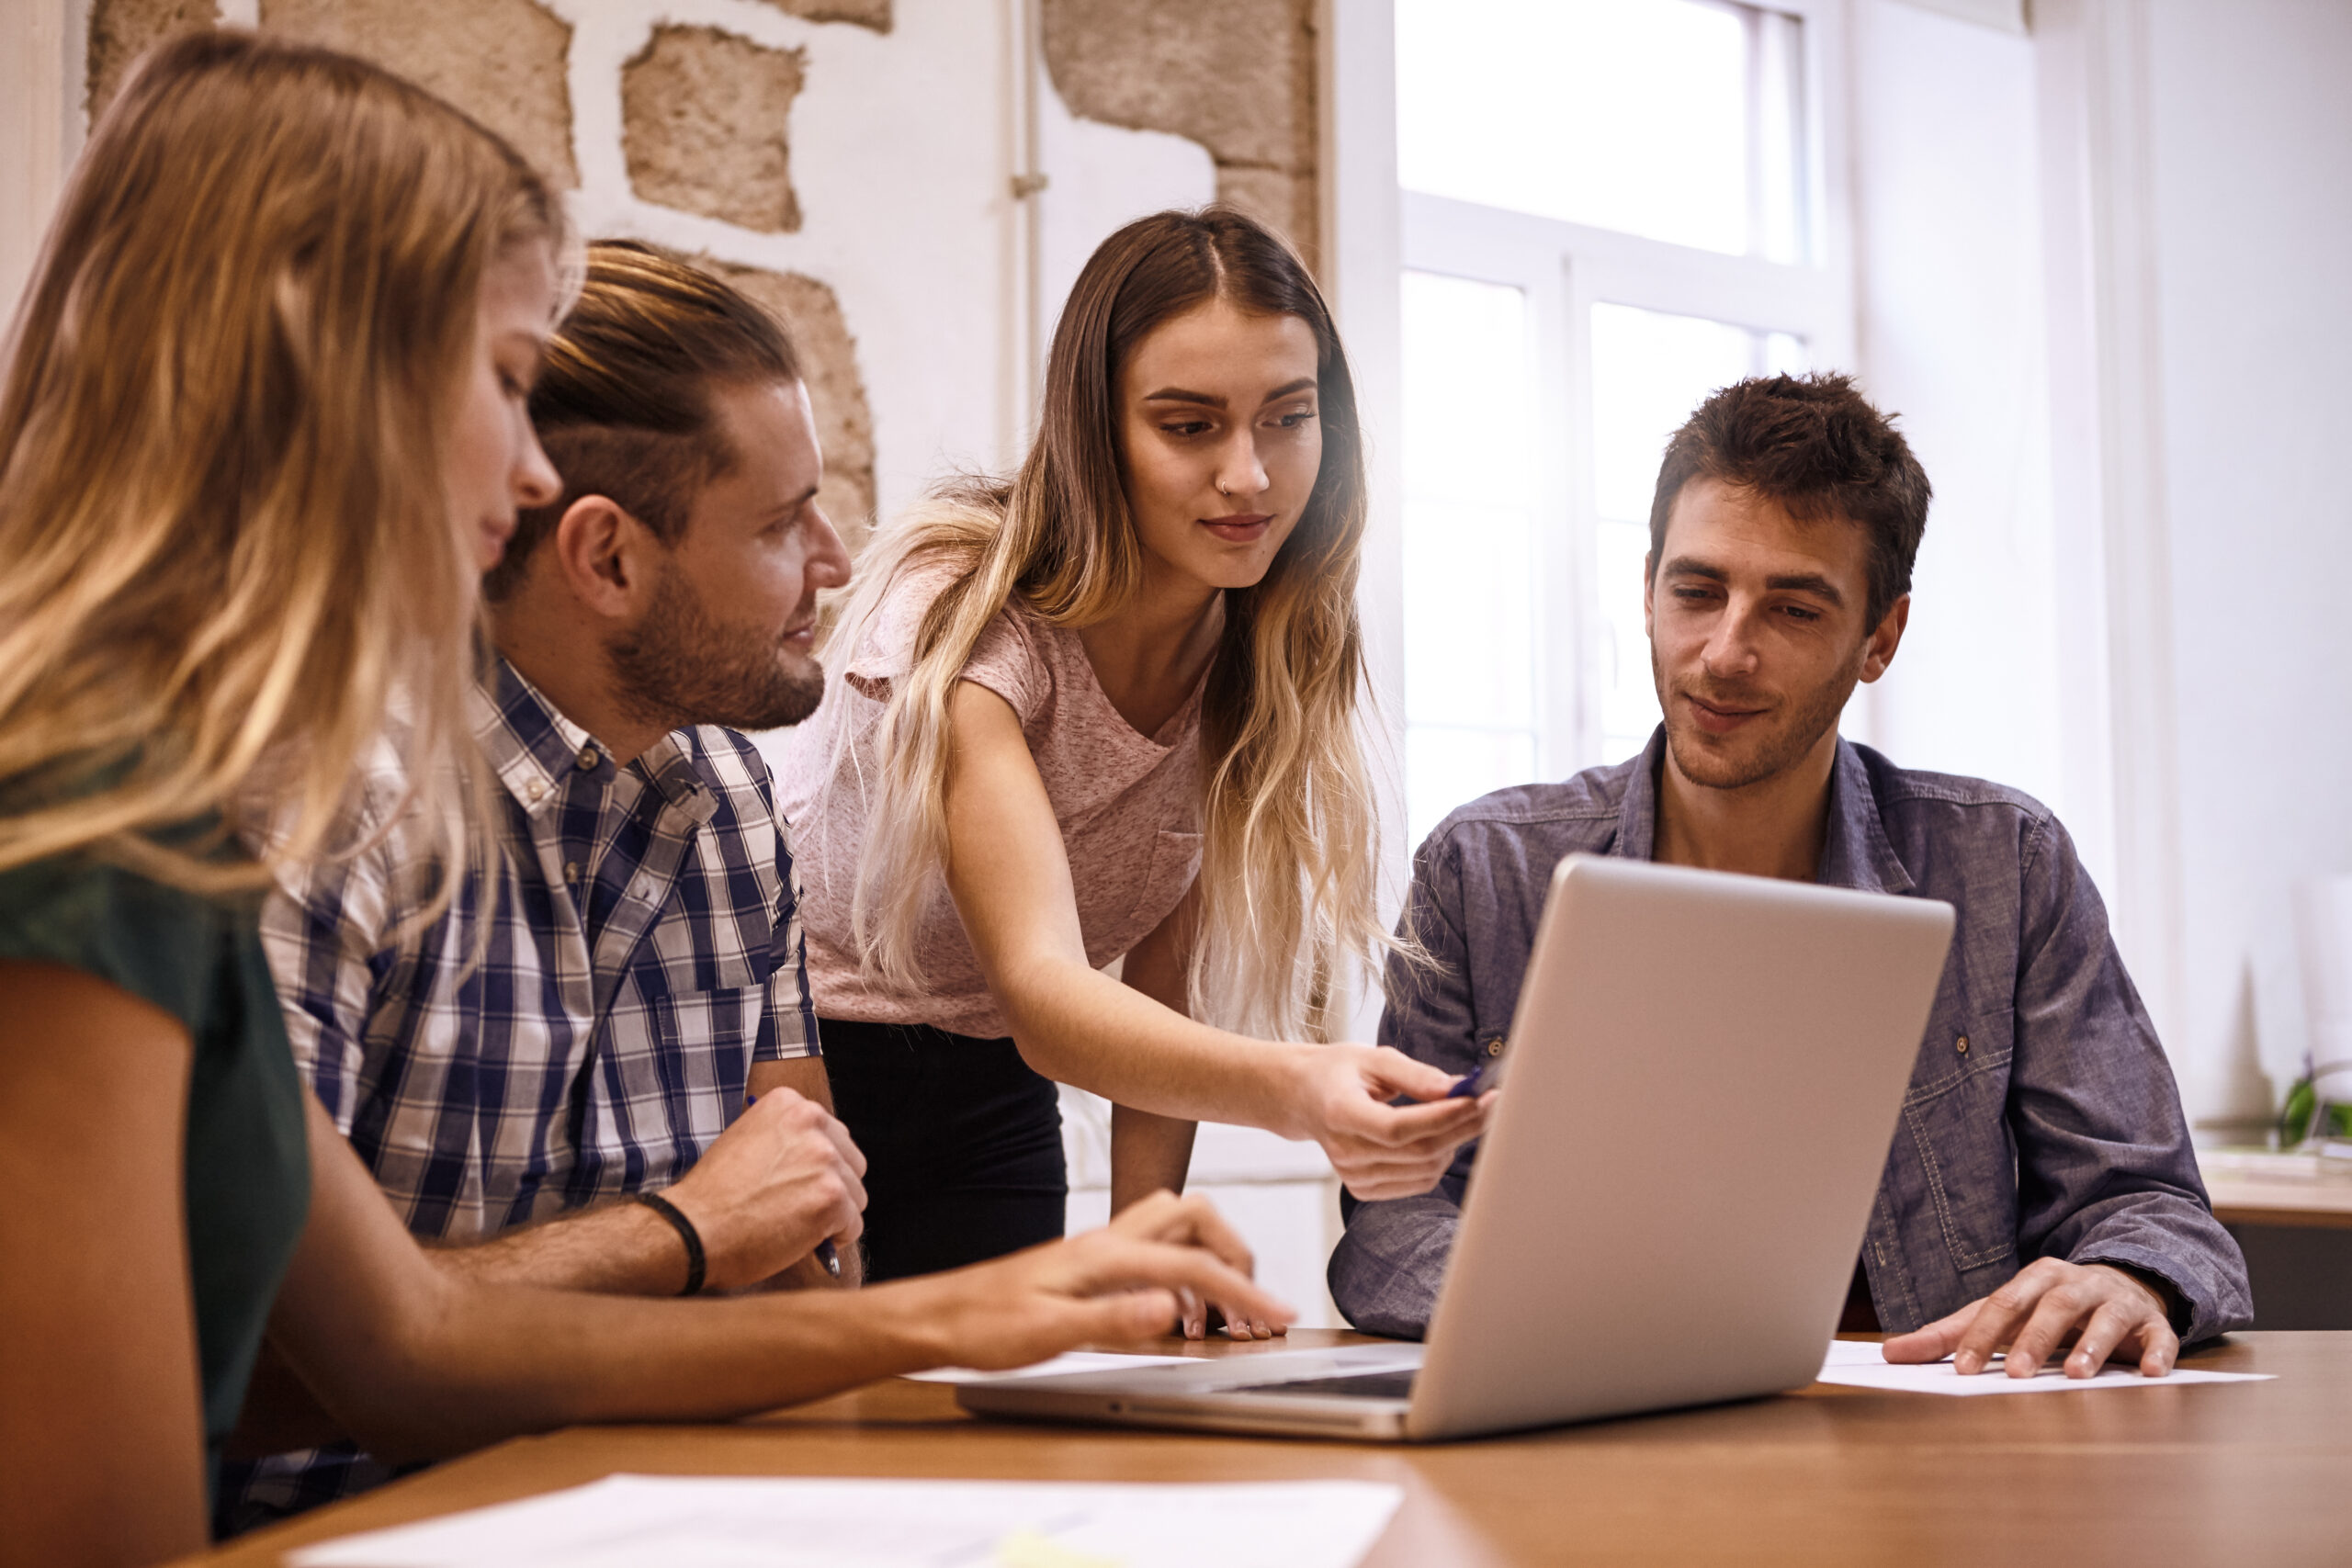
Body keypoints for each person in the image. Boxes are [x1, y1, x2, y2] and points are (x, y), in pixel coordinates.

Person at [0, 36, 1283, 1566]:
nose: (534, 477)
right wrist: (703, 1240)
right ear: (335, 395)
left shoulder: (172, 803)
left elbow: (399, 1344)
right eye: (506, 383)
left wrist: (968, 1309)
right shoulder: (99, 820)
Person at [1328, 373, 2252, 1379]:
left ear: (1880, 639)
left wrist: (2131, 1275)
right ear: (1646, 591)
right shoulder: (1484, 869)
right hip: (1595, 1426)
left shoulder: (2008, 863)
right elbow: (1392, 1224)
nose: (1725, 653)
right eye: (1695, 591)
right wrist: (1597, 1325)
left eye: (1793, 610)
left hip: (1926, 1439)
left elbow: (2152, 1207)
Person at [216, 241, 870, 1534]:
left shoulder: (732, 797)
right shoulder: (324, 799)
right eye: (782, 519)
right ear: (607, 559)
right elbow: (233, 1366)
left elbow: (805, 1254)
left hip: (662, 1515)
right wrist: (673, 1234)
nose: (835, 558)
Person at [775, 209, 1491, 1317]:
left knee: (1000, 1435)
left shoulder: (1265, 653)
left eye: (1288, 418)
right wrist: (1301, 1086)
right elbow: (1051, 992)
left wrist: (1152, 1246)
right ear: (1096, 430)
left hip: (992, 1089)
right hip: (796, 1065)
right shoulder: (964, 619)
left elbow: (1168, 982)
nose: (1248, 476)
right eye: (1188, 426)